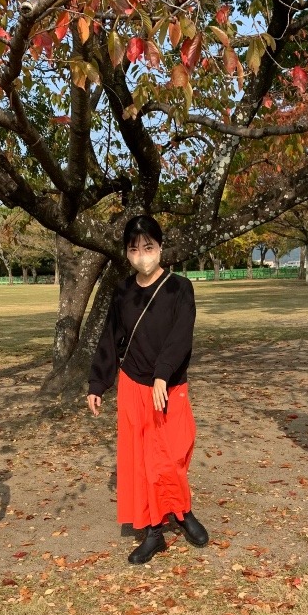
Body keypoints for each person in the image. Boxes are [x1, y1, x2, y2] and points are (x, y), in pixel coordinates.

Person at [87, 215, 209, 564]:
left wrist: (162, 375)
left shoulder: (180, 288)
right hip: (133, 385)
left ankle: (182, 512)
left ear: (161, 247)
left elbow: (180, 336)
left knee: (173, 453)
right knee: (141, 462)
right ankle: (153, 531)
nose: (142, 255)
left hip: (169, 386)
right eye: (134, 249)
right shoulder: (123, 291)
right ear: (127, 253)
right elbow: (111, 338)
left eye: (149, 247)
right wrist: (98, 383)